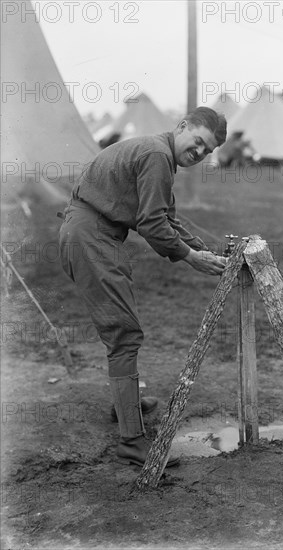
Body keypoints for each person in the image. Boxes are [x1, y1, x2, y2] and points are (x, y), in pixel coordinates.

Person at [59, 107, 227, 467]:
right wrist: (191, 257)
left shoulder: (159, 154)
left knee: (123, 329)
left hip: (95, 234)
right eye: (198, 142)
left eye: (207, 152)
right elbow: (152, 224)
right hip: (91, 235)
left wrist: (200, 249)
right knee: (124, 333)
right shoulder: (156, 156)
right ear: (182, 127)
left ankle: (127, 407)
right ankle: (132, 442)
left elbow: (164, 217)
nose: (199, 153)